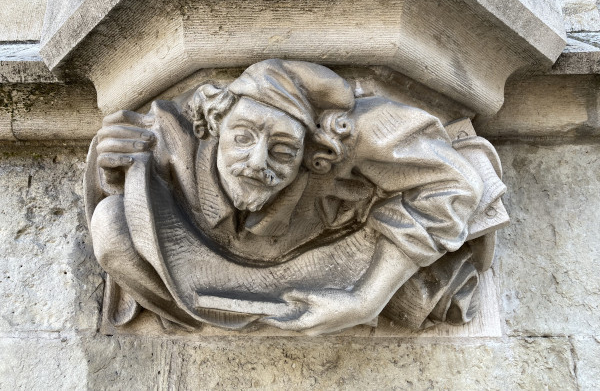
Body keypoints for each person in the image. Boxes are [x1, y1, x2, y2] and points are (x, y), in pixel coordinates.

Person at [86, 59, 489, 335]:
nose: (257, 162)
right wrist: (117, 172)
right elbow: (118, 165)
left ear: (312, 155)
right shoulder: (170, 142)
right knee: (112, 228)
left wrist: (366, 299)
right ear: (214, 126)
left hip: (328, 262)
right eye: (242, 137)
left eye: (283, 150)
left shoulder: (351, 138)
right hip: (202, 264)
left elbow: (459, 182)